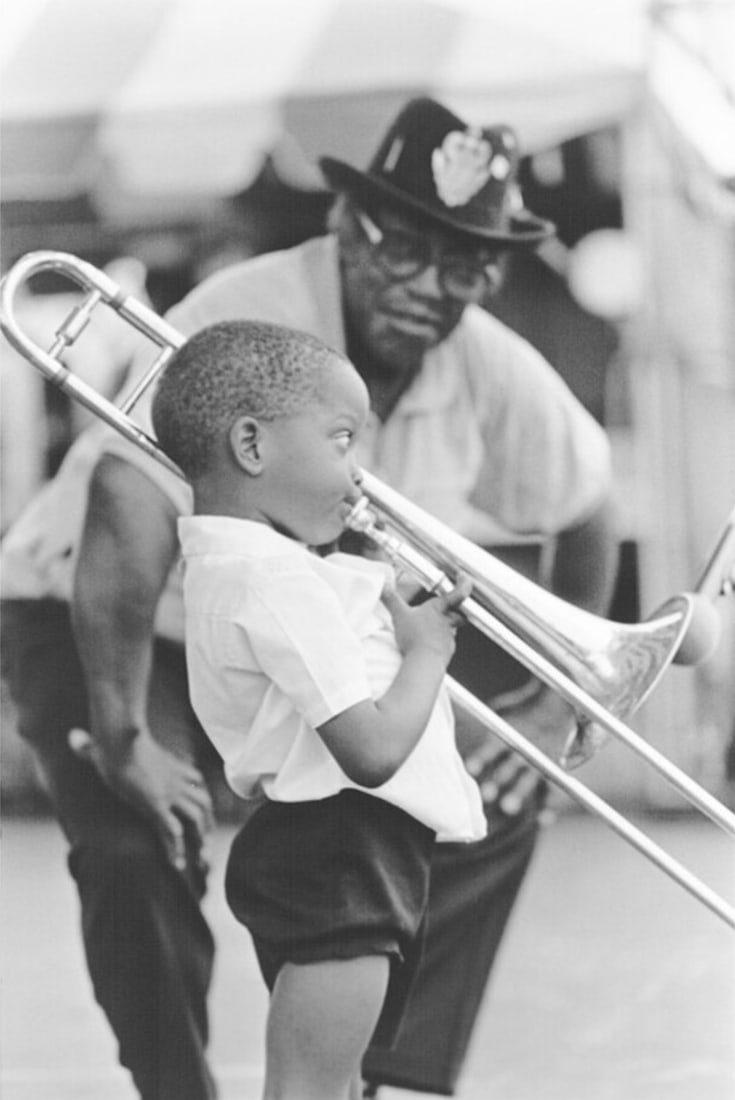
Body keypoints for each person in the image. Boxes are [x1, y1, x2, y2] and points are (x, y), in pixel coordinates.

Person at [0, 96, 618, 1099]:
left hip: (292, 643)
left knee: (487, 791)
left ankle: (385, 1077)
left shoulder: (489, 362)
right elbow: (123, 504)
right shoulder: (249, 315)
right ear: (347, 226)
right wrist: (123, 736)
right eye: (404, 247)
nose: (429, 286)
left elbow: (587, 505)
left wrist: (551, 709)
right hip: (119, 616)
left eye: (465, 264)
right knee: (132, 840)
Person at [150, 317, 486, 1100]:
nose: (357, 473)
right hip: (346, 854)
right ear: (252, 445)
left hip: (336, 853)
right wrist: (429, 653)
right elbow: (371, 751)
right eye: (341, 439)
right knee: (311, 1090)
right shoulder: (276, 581)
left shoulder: (249, 568)